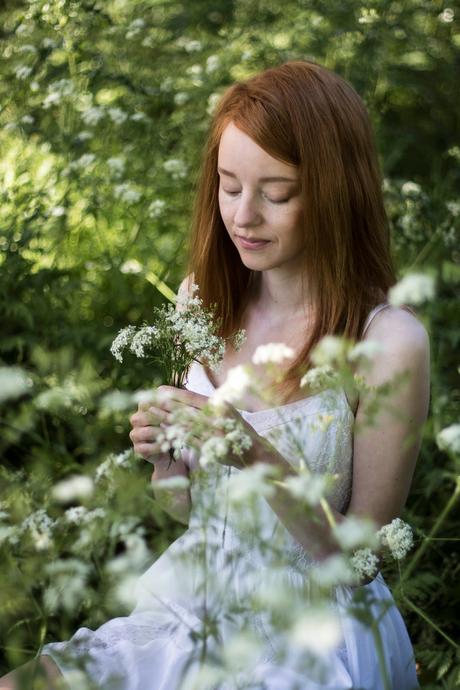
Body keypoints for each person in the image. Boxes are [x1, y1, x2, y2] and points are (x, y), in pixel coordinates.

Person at [1, 60, 430, 690]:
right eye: (229, 186)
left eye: (276, 193)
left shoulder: (389, 341)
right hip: (198, 602)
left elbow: (361, 558)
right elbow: (186, 512)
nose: (243, 216)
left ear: (338, 191)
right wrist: (166, 465)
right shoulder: (201, 299)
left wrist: (250, 448)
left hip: (311, 633)